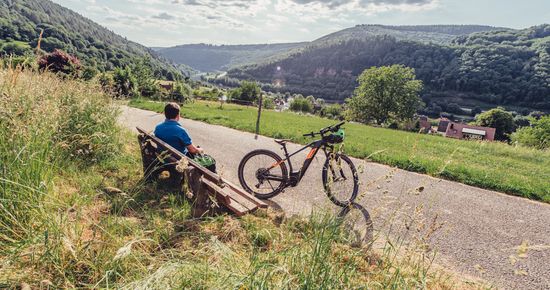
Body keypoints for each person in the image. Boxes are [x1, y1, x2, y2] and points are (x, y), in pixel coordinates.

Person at [154, 103, 217, 173]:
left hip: (163, 158)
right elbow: (192, 150)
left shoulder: (158, 127)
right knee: (210, 161)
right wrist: (200, 150)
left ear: (165, 114)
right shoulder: (180, 130)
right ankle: (213, 180)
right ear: (178, 115)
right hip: (179, 160)